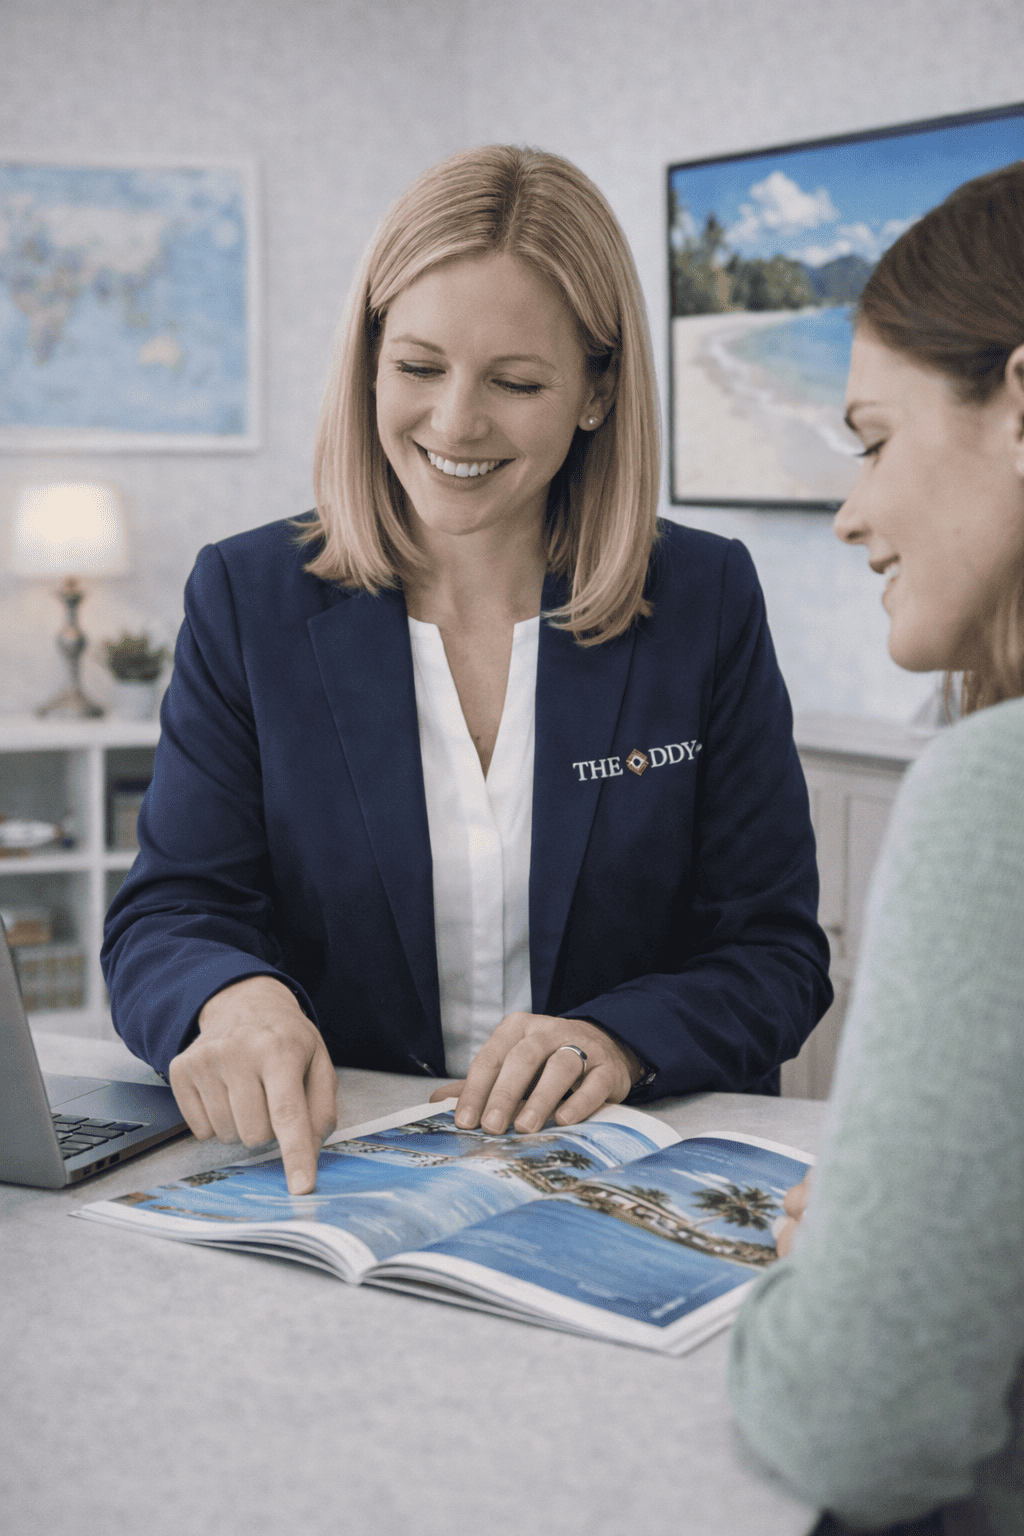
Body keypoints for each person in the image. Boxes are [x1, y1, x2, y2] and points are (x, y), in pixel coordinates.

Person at [102, 145, 831, 1196]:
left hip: (621, 1177)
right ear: (368, 361)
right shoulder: (247, 596)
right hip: (333, 1179)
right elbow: (170, 913)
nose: (454, 423)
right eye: (418, 368)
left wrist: (619, 1039)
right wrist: (234, 999)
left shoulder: (704, 598)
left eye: (516, 382)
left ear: (596, 391)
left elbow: (772, 953)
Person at [728, 160, 1024, 1535]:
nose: (849, 512)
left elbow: (851, 1418)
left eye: (874, 440)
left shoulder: (995, 796)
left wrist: (825, 1277)